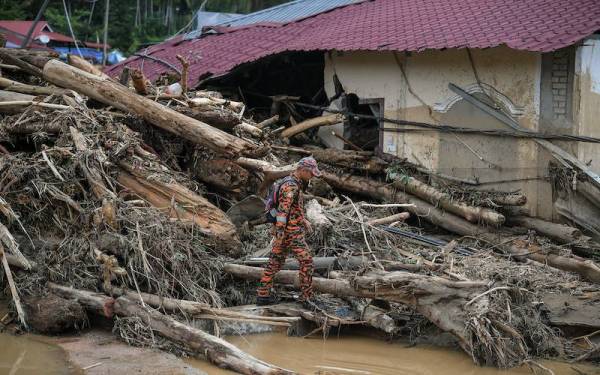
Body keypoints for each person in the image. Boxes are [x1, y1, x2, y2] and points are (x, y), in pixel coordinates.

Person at [256, 157, 321, 307]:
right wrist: (279, 234)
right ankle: (307, 297)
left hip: (287, 231)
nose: (312, 177)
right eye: (311, 173)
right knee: (307, 262)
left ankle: (263, 295)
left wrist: (303, 220)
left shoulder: (291, 182)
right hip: (291, 232)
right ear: (303, 170)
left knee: (274, 262)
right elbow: (283, 212)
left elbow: (292, 207)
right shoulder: (291, 186)